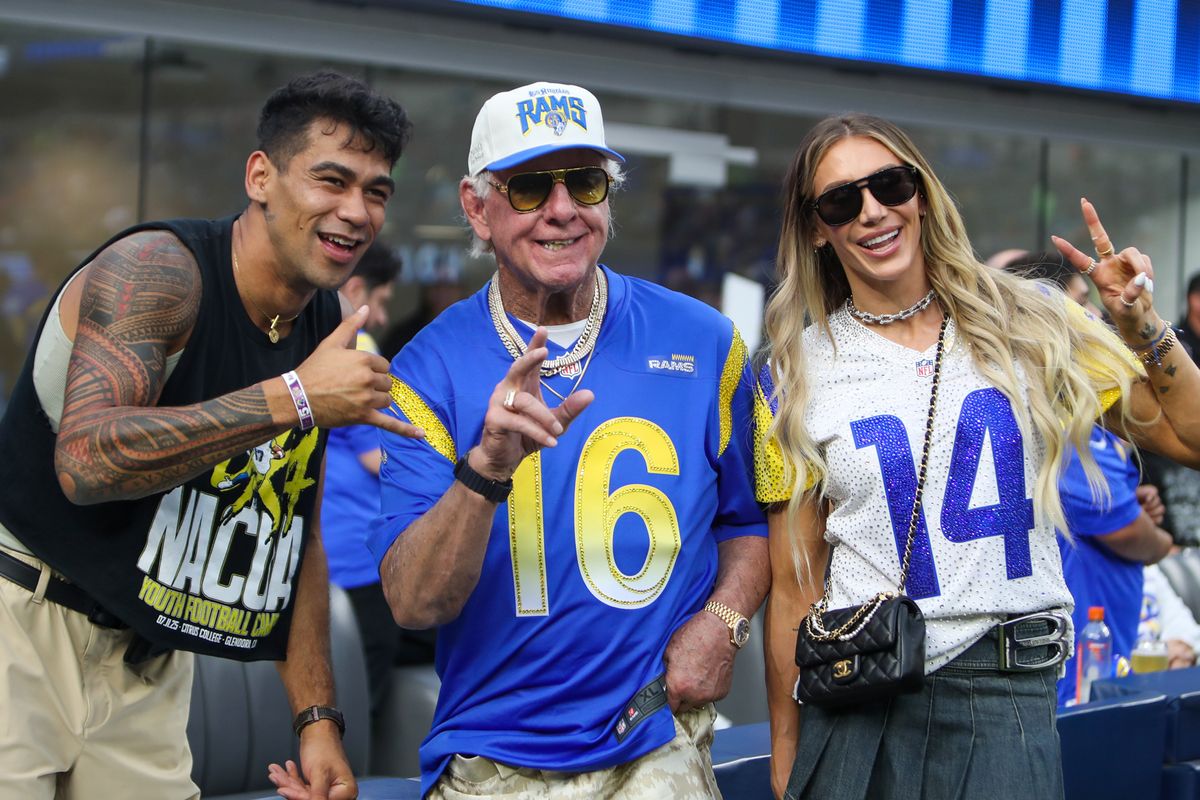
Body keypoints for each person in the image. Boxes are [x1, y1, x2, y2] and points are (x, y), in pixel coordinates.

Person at [0, 71, 421, 800]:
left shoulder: (320, 324)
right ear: (261, 175)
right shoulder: (159, 270)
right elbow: (88, 460)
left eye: (376, 191)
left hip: (148, 661)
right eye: (332, 179)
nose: (355, 210)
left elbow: (300, 537)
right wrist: (292, 397)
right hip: (23, 626)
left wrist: (318, 721)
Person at [758, 113, 1200, 800]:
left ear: (922, 193)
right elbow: (795, 585)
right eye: (843, 200)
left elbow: (1191, 439)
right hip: (858, 705)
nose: (873, 211)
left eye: (890, 185)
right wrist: (787, 755)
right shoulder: (795, 371)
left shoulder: (1031, 319)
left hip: (1005, 705)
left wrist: (1141, 326)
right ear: (818, 227)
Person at [368, 81, 769, 799]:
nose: (562, 210)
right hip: (492, 758)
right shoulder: (424, 371)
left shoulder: (706, 343)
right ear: (475, 207)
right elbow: (414, 604)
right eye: (527, 188)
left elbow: (750, 521)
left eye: (584, 182)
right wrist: (485, 471)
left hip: (653, 736)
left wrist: (725, 621)